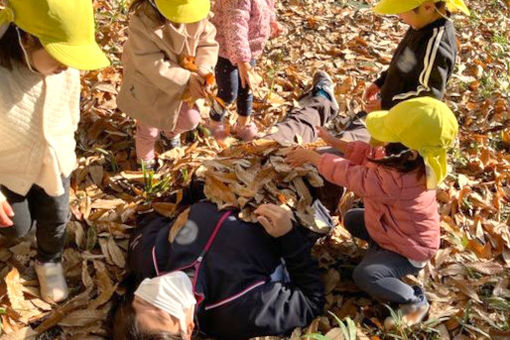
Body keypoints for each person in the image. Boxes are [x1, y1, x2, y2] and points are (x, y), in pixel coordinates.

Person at [111, 71, 344, 340]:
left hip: (244, 178)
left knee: (289, 129)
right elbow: (310, 300)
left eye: (142, 301)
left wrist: (197, 192)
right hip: (298, 197)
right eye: (163, 312)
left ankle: (323, 100)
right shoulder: (239, 312)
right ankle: (370, 124)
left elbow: (155, 215)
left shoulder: (148, 257)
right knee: (354, 154)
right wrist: (289, 236)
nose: (158, 295)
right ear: (187, 331)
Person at [287, 97, 458, 326]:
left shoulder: (400, 181)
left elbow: (354, 176)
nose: (382, 143)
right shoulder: (404, 161)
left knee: (365, 275)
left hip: (409, 249)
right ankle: (380, 252)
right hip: (392, 230)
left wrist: (314, 158)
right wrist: (334, 142)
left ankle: (413, 299)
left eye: (388, 139)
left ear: (410, 153)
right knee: (352, 219)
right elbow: (370, 155)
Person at [0, 0, 110, 302]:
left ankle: (48, 260)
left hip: (54, 163)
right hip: (8, 169)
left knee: (56, 216)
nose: (67, 65)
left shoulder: (66, 71)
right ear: (26, 38)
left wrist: (66, 149)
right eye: (61, 55)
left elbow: (70, 111)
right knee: (17, 228)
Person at [340, 0, 468, 143]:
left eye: (401, 10)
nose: (398, 15)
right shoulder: (420, 24)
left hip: (405, 123)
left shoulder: (436, 46)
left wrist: (387, 103)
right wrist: (381, 82)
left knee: (383, 156)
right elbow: (404, 61)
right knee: (373, 146)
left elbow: (428, 95)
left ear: (428, 7)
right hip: (390, 109)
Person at [117, 0, 219, 168]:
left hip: (185, 83)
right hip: (149, 85)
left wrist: (203, 68)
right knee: (148, 130)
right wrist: (185, 79)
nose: (183, 19)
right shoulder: (143, 21)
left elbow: (207, 43)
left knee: (190, 119)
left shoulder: (198, 15)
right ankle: (145, 164)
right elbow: (149, 62)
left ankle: (170, 133)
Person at [207, 0, 282, 141]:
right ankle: (215, 122)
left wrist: (273, 22)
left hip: (249, 51)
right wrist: (242, 60)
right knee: (228, 93)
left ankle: (243, 124)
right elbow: (235, 26)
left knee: (246, 88)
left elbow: (268, 6)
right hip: (225, 51)